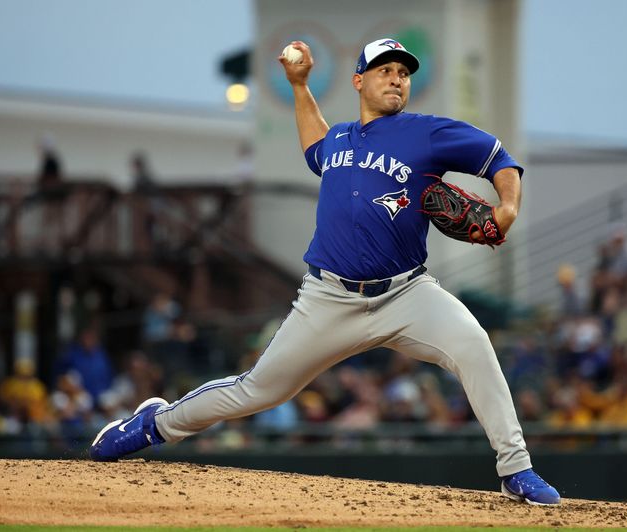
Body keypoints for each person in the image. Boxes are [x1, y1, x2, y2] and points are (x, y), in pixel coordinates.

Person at [89, 38, 560, 506]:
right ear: (359, 80)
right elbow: (314, 143)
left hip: (406, 294)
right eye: (384, 70)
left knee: (474, 346)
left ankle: (516, 468)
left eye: (403, 72)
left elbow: (498, 158)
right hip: (328, 298)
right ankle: (155, 424)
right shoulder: (338, 140)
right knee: (258, 390)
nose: (397, 77)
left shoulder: (428, 133)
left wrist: (509, 207)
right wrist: (299, 86)